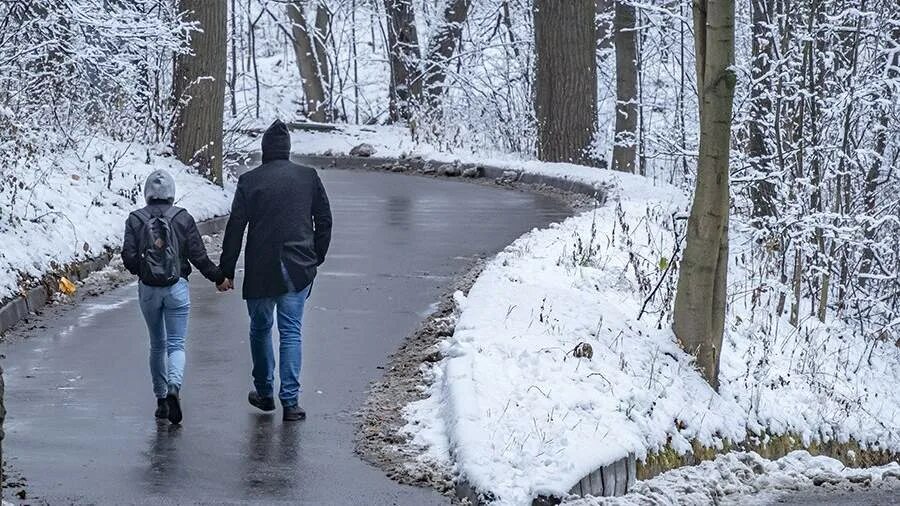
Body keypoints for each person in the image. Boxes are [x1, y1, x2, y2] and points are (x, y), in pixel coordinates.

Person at [219, 119, 332, 422]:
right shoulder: (308, 177)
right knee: (291, 332)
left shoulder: (249, 181)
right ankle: (291, 402)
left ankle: (265, 392)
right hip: (298, 267)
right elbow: (324, 219)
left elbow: (235, 228)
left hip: (261, 268)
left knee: (259, 329)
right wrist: (316, 256)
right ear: (288, 149)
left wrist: (226, 270)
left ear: (264, 150)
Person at [122, 170, 226, 425]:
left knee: (157, 344)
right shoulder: (182, 218)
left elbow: (128, 257)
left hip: (148, 289)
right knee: (177, 344)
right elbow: (198, 256)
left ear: (147, 192)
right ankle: (174, 388)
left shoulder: (135, 219)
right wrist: (219, 277)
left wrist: (143, 271)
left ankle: (160, 401)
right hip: (177, 286)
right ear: (171, 192)